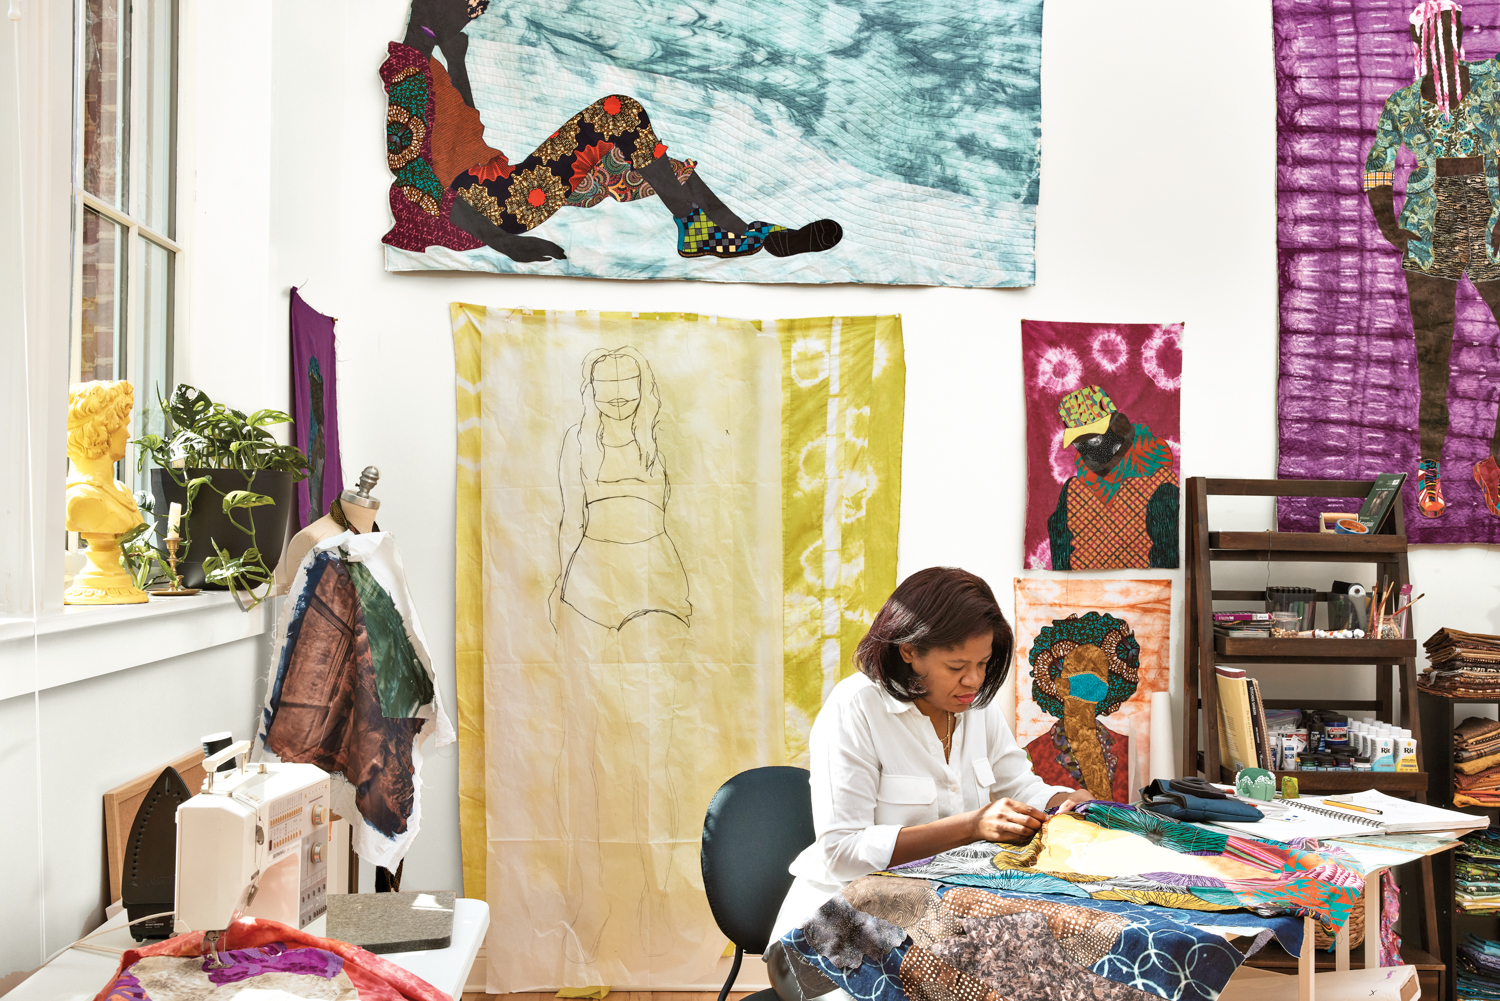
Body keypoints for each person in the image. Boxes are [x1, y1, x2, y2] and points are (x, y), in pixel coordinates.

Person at [764, 568, 1091, 995]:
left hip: (932, 924)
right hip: (832, 934)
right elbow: (841, 851)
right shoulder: (854, 709)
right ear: (908, 652)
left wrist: (1062, 799)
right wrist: (970, 826)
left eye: (983, 663)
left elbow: (1021, 788)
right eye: (957, 666)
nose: (974, 680)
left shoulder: (974, 708)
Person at [382, 0, 842, 264]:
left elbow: (463, 130)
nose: (474, 12)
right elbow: (415, 175)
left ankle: (746, 234)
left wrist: (456, 57)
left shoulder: (422, 68)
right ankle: (697, 228)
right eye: (468, 6)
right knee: (617, 114)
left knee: (652, 161)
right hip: (494, 202)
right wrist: (502, 241)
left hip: (505, 186)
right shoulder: (408, 74)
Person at [1364, 0, 1500, 517]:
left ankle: (1494, 463)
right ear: (1419, 45)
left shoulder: (1488, 85)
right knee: (1434, 358)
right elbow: (1377, 166)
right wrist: (1392, 227)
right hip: (1430, 238)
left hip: (1489, 233)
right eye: (1433, 35)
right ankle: (1431, 469)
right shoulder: (1403, 104)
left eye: (1451, 32)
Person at [550, 347, 691, 630]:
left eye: (627, 383)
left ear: (642, 384)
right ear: (591, 389)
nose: (617, 395)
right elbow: (572, 520)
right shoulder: (578, 440)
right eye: (606, 385)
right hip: (593, 573)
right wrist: (562, 581)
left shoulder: (660, 437)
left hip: (656, 572)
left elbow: (683, 515)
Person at [1046, 386, 1178, 569]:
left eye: (1095, 439)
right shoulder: (1073, 491)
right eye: (1080, 442)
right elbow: (1061, 554)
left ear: (1119, 426)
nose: (1089, 449)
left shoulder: (1160, 484)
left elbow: (1167, 555)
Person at [1022, 611, 1141, 804]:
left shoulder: (1124, 747)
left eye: (1098, 686)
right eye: (1082, 683)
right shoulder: (1033, 754)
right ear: (1060, 686)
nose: (1087, 696)